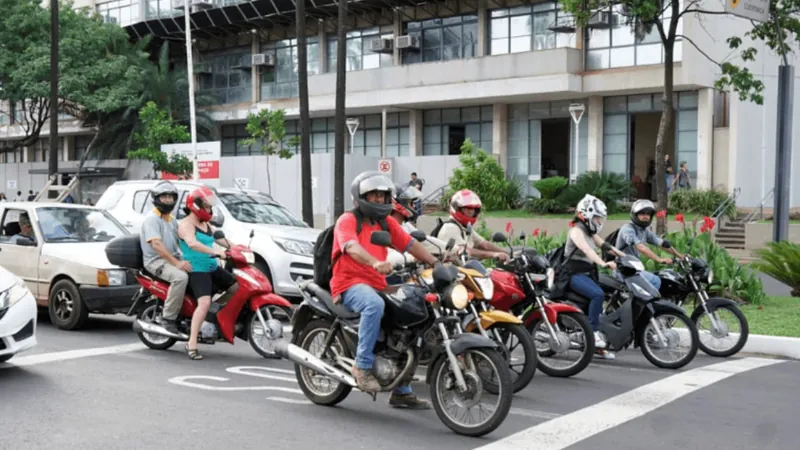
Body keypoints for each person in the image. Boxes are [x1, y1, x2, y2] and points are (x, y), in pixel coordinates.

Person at [330, 171, 439, 408]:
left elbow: (409, 244)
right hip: (349, 283)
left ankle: (401, 389)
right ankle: (362, 365)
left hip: (378, 283)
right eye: (373, 195)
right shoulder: (347, 220)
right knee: (374, 304)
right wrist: (375, 262)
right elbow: (350, 247)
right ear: (360, 197)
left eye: (382, 195)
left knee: (417, 312)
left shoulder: (386, 221)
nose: (379, 199)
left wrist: (436, 262)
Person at [177, 186, 239, 360]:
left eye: (210, 206)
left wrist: (238, 249)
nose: (209, 209)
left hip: (212, 267)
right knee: (203, 303)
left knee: (236, 287)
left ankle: (213, 312)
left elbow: (220, 239)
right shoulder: (186, 225)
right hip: (197, 270)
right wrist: (215, 252)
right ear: (195, 206)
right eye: (206, 205)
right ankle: (192, 343)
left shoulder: (206, 224)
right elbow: (192, 244)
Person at [564, 194, 623, 359]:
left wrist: (624, 256)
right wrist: (602, 263)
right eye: (597, 218)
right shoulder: (576, 231)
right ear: (585, 215)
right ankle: (593, 332)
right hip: (573, 274)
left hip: (587, 273)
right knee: (598, 294)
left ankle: (595, 344)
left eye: (600, 219)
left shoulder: (589, 232)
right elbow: (587, 250)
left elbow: (606, 246)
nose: (599, 222)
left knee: (607, 293)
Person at [140, 181, 190, 336]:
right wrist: (177, 263)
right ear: (156, 199)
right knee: (180, 278)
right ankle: (168, 318)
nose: (168, 200)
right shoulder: (152, 219)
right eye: (164, 197)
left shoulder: (171, 220)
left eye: (171, 197)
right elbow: (157, 245)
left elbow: (182, 241)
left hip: (171, 258)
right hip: (156, 261)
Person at [614, 200, 675, 291]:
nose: (646, 216)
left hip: (634, 270)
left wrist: (681, 256)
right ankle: (643, 305)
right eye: (642, 213)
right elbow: (641, 247)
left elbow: (661, 243)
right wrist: (660, 259)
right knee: (655, 281)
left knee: (666, 276)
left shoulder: (644, 231)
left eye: (648, 214)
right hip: (623, 270)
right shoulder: (628, 229)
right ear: (635, 215)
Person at [434, 189, 509, 262]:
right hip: (448, 271)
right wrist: (493, 254)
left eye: (473, 209)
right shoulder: (450, 228)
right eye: (467, 208)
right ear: (457, 208)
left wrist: (507, 253)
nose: (471, 211)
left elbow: (484, 244)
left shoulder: (464, 226)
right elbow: (465, 250)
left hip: (464, 270)